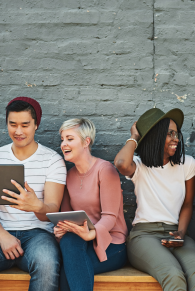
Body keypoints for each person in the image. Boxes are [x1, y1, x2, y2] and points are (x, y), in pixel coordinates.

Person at [114, 108, 195, 291]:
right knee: (173, 275)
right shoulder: (140, 166)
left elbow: (188, 204)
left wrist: (181, 233)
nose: (176, 138)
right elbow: (121, 163)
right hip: (144, 236)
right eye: (169, 134)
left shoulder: (187, 164)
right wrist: (135, 136)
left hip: (176, 232)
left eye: (177, 134)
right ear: (156, 137)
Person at [0, 97, 67, 291]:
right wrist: (2, 236)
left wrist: (37, 206)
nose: (18, 131)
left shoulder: (52, 161)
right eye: (12, 124)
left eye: (25, 125)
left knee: (47, 264)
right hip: (2, 230)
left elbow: (53, 210)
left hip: (37, 235)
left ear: (36, 125)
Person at [54, 118, 128, 291]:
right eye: (62, 139)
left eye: (70, 139)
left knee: (68, 271)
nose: (63, 144)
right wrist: (61, 229)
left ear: (86, 141)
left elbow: (110, 217)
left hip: (111, 244)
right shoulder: (68, 175)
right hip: (80, 242)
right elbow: (65, 216)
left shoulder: (105, 170)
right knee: (69, 241)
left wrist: (91, 234)